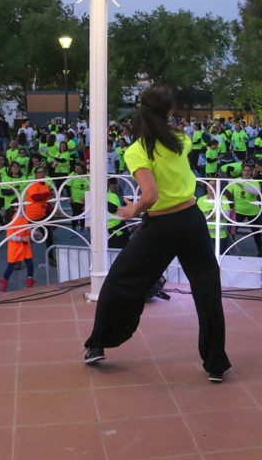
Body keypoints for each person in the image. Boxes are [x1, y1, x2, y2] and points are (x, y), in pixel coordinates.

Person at [83, 87, 231, 383]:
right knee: (207, 290)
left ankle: (97, 344)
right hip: (191, 220)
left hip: (161, 226)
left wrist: (132, 210)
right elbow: (171, 140)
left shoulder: (136, 150)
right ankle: (216, 364)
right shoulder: (183, 140)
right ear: (169, 113)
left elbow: (149, 195)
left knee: (120, 278)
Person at [0, 212, 37, 292]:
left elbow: (26, 228)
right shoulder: (13, 219)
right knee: (10, 266)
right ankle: (3, 286)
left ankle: (29, 282)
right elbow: (9, 236)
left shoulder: (25, 217)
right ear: (16, 208)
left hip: (25, 246)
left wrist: (34, 232)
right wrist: (22, 238)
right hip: (15, 247)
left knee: (30, 264)